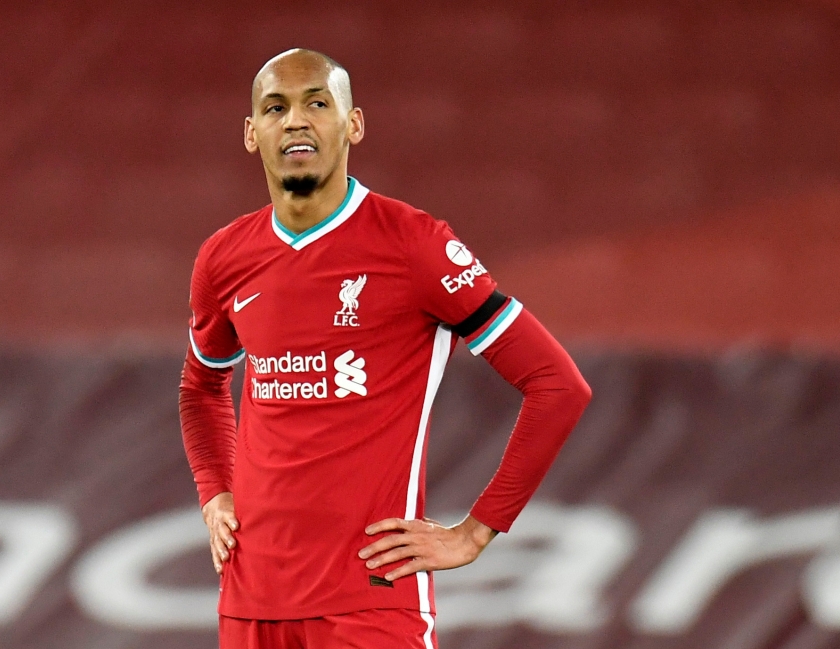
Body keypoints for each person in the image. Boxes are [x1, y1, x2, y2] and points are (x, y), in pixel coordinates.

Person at [179, 48, 592, 649]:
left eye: (317, 103)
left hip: (370, 603)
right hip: (249, 602)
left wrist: (475, 533)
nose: (295, 120)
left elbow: (558, 387)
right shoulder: (224, 258)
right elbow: (201, 385)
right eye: (276, 107)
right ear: (251, 134)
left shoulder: (414, 246)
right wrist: (215, 490)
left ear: (353, 124)